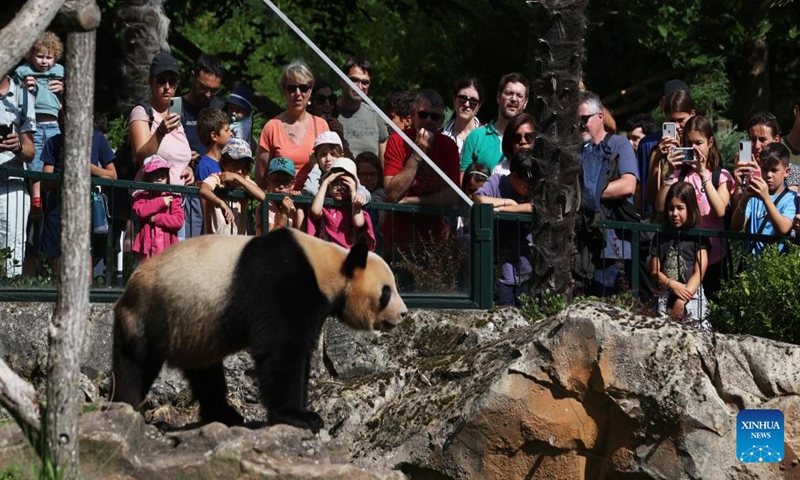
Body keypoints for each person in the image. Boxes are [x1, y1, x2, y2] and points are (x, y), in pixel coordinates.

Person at [655, 116, 732, 300]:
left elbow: (720, 210)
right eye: (689, 144)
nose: (694, 149)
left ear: (710, 142)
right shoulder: (679, 175)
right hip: (685, 259)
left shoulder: (720, 176)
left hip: (714, 258)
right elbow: (659, 207)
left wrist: (704, 174)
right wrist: (670, 172)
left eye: (698, 143)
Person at [576, 91, 639, 295]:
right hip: (581, 250)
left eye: (585, 119)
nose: (580, 124)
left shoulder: (618, 144)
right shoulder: (575, 150)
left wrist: (585, 194)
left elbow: (628, 185)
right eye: (576, 120)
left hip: (613, 249)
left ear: (600, 117)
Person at [383, 89, 460, 252]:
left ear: (441, 120)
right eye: (424, 115)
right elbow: (392, 194)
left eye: (435, 117)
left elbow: (452, 196)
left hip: (434, 243)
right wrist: (417, 154)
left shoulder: (448, 146)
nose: (429, 121)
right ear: (413, 114)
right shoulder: (397, 141)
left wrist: (413, 201)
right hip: (398, 241)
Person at [128, 52, 194, 240]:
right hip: (151, 204)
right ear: (151, 81)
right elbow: (142, 157)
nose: (167, 87)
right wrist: (160, 131)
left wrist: (187, 169)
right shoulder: (142, 112)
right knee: (150, 264)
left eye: (172, 81)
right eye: (161, 80)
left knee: (175, 266)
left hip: (176, 207)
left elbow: (177, 156)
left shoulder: (177, 115)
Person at [39, 123, 117, 276]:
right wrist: (66, 172)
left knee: (85, 254)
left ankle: (85, 295)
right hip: (57, 209)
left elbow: (113, 175)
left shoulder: (97, 138)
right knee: (58, 259)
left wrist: (91, 169)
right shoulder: (54, 142)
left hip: (86, 209)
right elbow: (46, 182)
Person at [256, 60, 329, 191]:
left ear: (310, 90)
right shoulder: (272, 127)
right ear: (284, 90)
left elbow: (330, 169)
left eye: (303, 88)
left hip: (313, 205)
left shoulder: (322, 126)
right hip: (279, 205)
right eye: (291, 88)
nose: (298, 93)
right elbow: (261, 179)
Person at [474, 150, 535, 306]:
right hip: (501, 273)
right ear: (514, 176)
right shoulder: (497, 182)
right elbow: (479, 198)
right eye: (527, 183)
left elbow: (533, 208)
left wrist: (505, 209)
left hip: (526, 272)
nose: (531, 187)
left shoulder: (535, 189)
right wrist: (508, 202)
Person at [14, 31, 64, 220]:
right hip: (33, 124)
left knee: (51, 163)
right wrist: (23, 88)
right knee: (34, 163)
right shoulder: (23, 73)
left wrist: (63, 90)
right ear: (30, 55)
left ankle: (49, 198)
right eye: (40, 56)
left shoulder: (58, 73)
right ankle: (36, 200)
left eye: (49, 57)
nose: (44, 62)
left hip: (52, 124)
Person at [649, 182, 710, 327]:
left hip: (692, 294)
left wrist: (683, 298)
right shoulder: (661, 236)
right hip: (665, 294)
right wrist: (672, 285)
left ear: (690, 208)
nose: (674, 213)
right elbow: (655, 270)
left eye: (680, 208)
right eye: (671, 208)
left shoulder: (699, 236)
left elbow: (699, 271)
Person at [180, 54, 226, 238]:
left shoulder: (221, 108)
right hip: (186, 195)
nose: (208, 95)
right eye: (203, 87)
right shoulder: (178, 108)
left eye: (214, 90)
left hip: (218, 193)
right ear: (193, 75)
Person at [731, 142, 796, 256]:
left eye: (774, 170)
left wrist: (766, 199)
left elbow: (783, 228)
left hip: (774, 268)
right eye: (765, 170)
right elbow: (736, 226)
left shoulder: (791, 198)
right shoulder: (754, 195)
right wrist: (745, 197)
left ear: (787, 172)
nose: (769, 175)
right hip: (750, 267)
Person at [0, 73, 36, 277]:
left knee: (11, 255)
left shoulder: (23, 98)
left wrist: (17, 146)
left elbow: (30, 153)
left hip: (11, 187)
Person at [460, 73, 529, 176]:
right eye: (509, 93)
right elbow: (463, 180)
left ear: (525, 103)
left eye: (519, 96)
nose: (514, 99)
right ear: (498, 97)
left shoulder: (530, 141)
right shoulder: (476, 137)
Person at [637, 79, 691, 207]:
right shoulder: (653, 147)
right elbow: (646, 194)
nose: (677, 126)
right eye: (672, 121)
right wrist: (657, 160)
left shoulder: (699, 145)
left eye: (681, 120)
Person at [308, 157, 375, 251]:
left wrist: (353, 193)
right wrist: (326, 182)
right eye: (334, 182)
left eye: (344, 183)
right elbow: (315, 211)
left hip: (346, 255)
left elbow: (358, 223)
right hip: (326, 253)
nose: (339, 188)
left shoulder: (353, 203)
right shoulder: (325, 202)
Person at [199, 138, 264, 235]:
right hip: (218, 242)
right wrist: (221, 204)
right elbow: (204, 190)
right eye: (235, 165)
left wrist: (237, 177)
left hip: (239, 242)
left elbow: (262, 196)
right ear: (224, 163)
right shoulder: (218, 178)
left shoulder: (243, 180)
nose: (240, 171)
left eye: (245, 167)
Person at [131, 155, 184, 263]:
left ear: (168, 177)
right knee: (145, 276)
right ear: (148, 177)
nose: (159, 178)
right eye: (155, 175)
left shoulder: (174, 197)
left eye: (163, 175)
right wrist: (161, 202)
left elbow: (178, 221)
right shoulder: (141, 196)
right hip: (146, 248)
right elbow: (141, 211)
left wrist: (157, 218)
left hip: (168, 247)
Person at [336, 57, 388, 161]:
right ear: (342, 81)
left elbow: (383, 163)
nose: (359, 87)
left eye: (365, 82)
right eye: (354, 80)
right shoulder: (329, 113)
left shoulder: (377, 115)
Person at [301, 131, 370, 203]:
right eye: (323, 155)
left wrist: (361, 196)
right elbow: (309, 189)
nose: (328, 159)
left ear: (341, 156)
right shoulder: (317, 177)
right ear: (316, 158)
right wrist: (315, 167)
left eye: (333, 154)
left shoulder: (347, 172)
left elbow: (365, 192)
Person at [732, 112, 782, 206]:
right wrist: (738, 186)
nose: (756, 146)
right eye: (753, 139)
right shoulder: (744, 171)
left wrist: (761, 175)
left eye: (762, 140)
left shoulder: (788, 172)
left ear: (776, 140)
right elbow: (736, 215)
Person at [257, 157, 303, 234]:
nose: (281, 186)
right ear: (268, 183)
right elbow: (269, 239)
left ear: (293, 184)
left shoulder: (294, 206)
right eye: (276, 181)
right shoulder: (265, 205)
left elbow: (302, 236)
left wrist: (299, 207)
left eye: (286, 181)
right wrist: (284, 214)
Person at [441, 76, 482, 154]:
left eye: (473, 101)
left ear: (478, 106)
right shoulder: (439, 137)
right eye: (462, 98)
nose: (467, 104)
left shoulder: (487, 137)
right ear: (454, 99)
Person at [195, 107, 232, 182]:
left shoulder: (231, 162)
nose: (231, 133)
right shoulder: (204, 167)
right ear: (214, 136)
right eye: (227, 130)